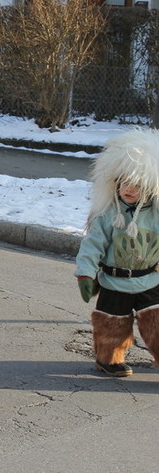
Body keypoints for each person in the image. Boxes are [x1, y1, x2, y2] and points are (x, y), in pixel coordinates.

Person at [74, 128, 159, 377]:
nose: (129, 189)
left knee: (157, 324)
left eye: (137, 184)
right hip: (114, 281)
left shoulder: (155, 215)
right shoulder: (108, 214)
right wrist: (85, 273)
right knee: (112, 324)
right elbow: (92, 245)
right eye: (124, 183)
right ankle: (108, 360)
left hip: (149, 280)